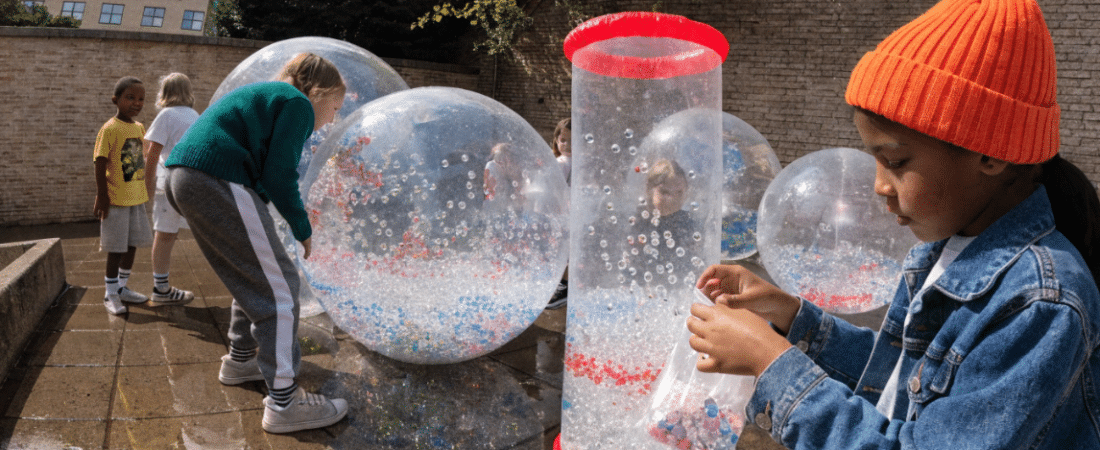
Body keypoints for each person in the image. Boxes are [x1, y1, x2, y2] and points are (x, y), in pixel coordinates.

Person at [687, 0, 1100, 448]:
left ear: (992, 154)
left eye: (896, 162)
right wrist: (792, 319)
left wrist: (773, 362)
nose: (879, 186)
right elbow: (906, 379)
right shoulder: (945, 246)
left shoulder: (1039, 305)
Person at [164, 53, 348, 434]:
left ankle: (241, 357)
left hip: (187, 177)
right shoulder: (297, 103)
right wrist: (302, 226)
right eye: (335, 106)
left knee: (250, 275)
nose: (332, 118)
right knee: (280, 290)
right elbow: (280, 174)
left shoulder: (270, 96)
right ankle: (284, 402)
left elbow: (261, 174)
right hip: (215, 177)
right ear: (319, 92)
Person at [93, 76, 152, 315]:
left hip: (136, 198)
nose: (136, 103)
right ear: (115, 100)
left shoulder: (138, 127)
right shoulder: (109, 129)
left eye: (141, 99)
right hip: (116, 199)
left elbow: (141, 158)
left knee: (131, 245)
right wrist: (102, 196)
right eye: (130, 98)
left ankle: (122, 287)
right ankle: (110, 293)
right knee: (116, 248)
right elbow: (100, 162)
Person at [142, 72, 198, 305]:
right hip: (189, 182)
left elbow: (152, 153)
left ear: (164, 93)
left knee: (164, 235)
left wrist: (146, 187)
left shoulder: (166, 115)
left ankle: (161, 289)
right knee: (174, 234)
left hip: (168, 184)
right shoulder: (195, 115)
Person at [623, 158, 698, 289]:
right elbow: (629, 266)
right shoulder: (639, 222)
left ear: (686, 190)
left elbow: (694, 264)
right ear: (649, 190)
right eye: (664, 192)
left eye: (679, 192)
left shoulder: (688, 223)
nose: (672, 199)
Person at [548, 117, 571, 309]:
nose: (567, 145)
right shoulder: (562, 162)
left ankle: (563, 286)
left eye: (573, 141)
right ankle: (563, 284)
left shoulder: (561, 163)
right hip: (566, 213)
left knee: (563, 249)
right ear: (556, 140)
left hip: (565, 214)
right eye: (563, 140)